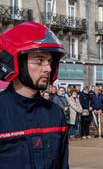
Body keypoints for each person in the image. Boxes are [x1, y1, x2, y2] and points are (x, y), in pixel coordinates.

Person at [0, 22, 68, 168]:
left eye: (50, 61)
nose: (48, 68)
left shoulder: (56, 114)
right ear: (16, 62)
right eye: (39, 60)